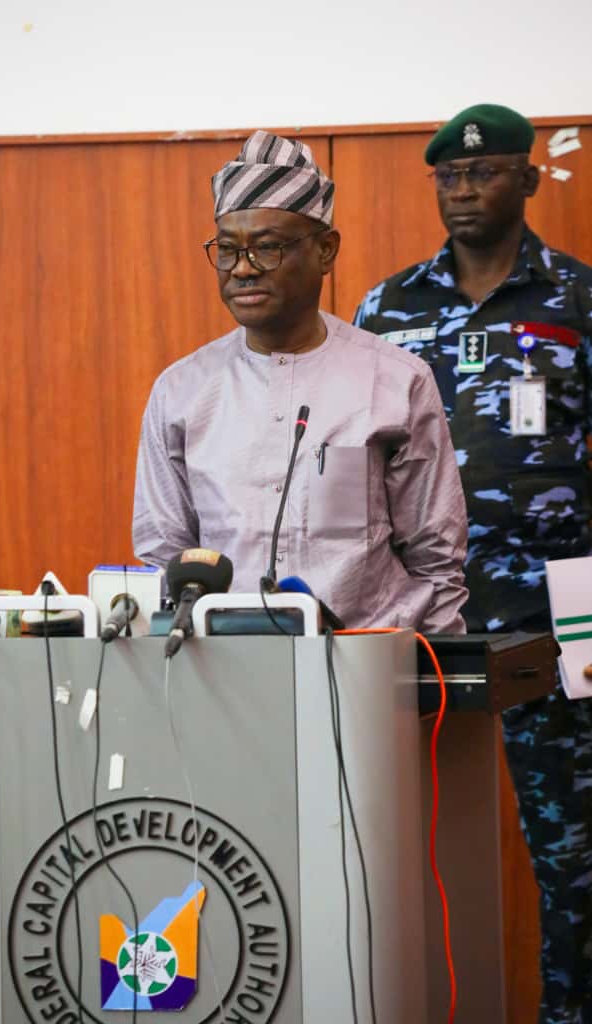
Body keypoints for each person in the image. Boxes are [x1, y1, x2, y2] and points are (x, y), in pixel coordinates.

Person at [354, 103, 592, 1024]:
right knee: (395, 829)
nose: (464, 189)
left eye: (485, 172)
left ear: (529, 180)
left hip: (555, 614)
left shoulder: (576, 300)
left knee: (569, 845)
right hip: (422, 612)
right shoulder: (387, 306)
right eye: (449, 176)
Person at [132, 129, 468, 632]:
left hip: (363, 669)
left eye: (267, 248)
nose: (242, 269)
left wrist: (440, 687)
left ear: (326, 251)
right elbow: (163, 558)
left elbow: (436, 560)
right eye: (227, 249)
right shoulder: (181, 392)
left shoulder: (396, 383)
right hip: (224, 668)